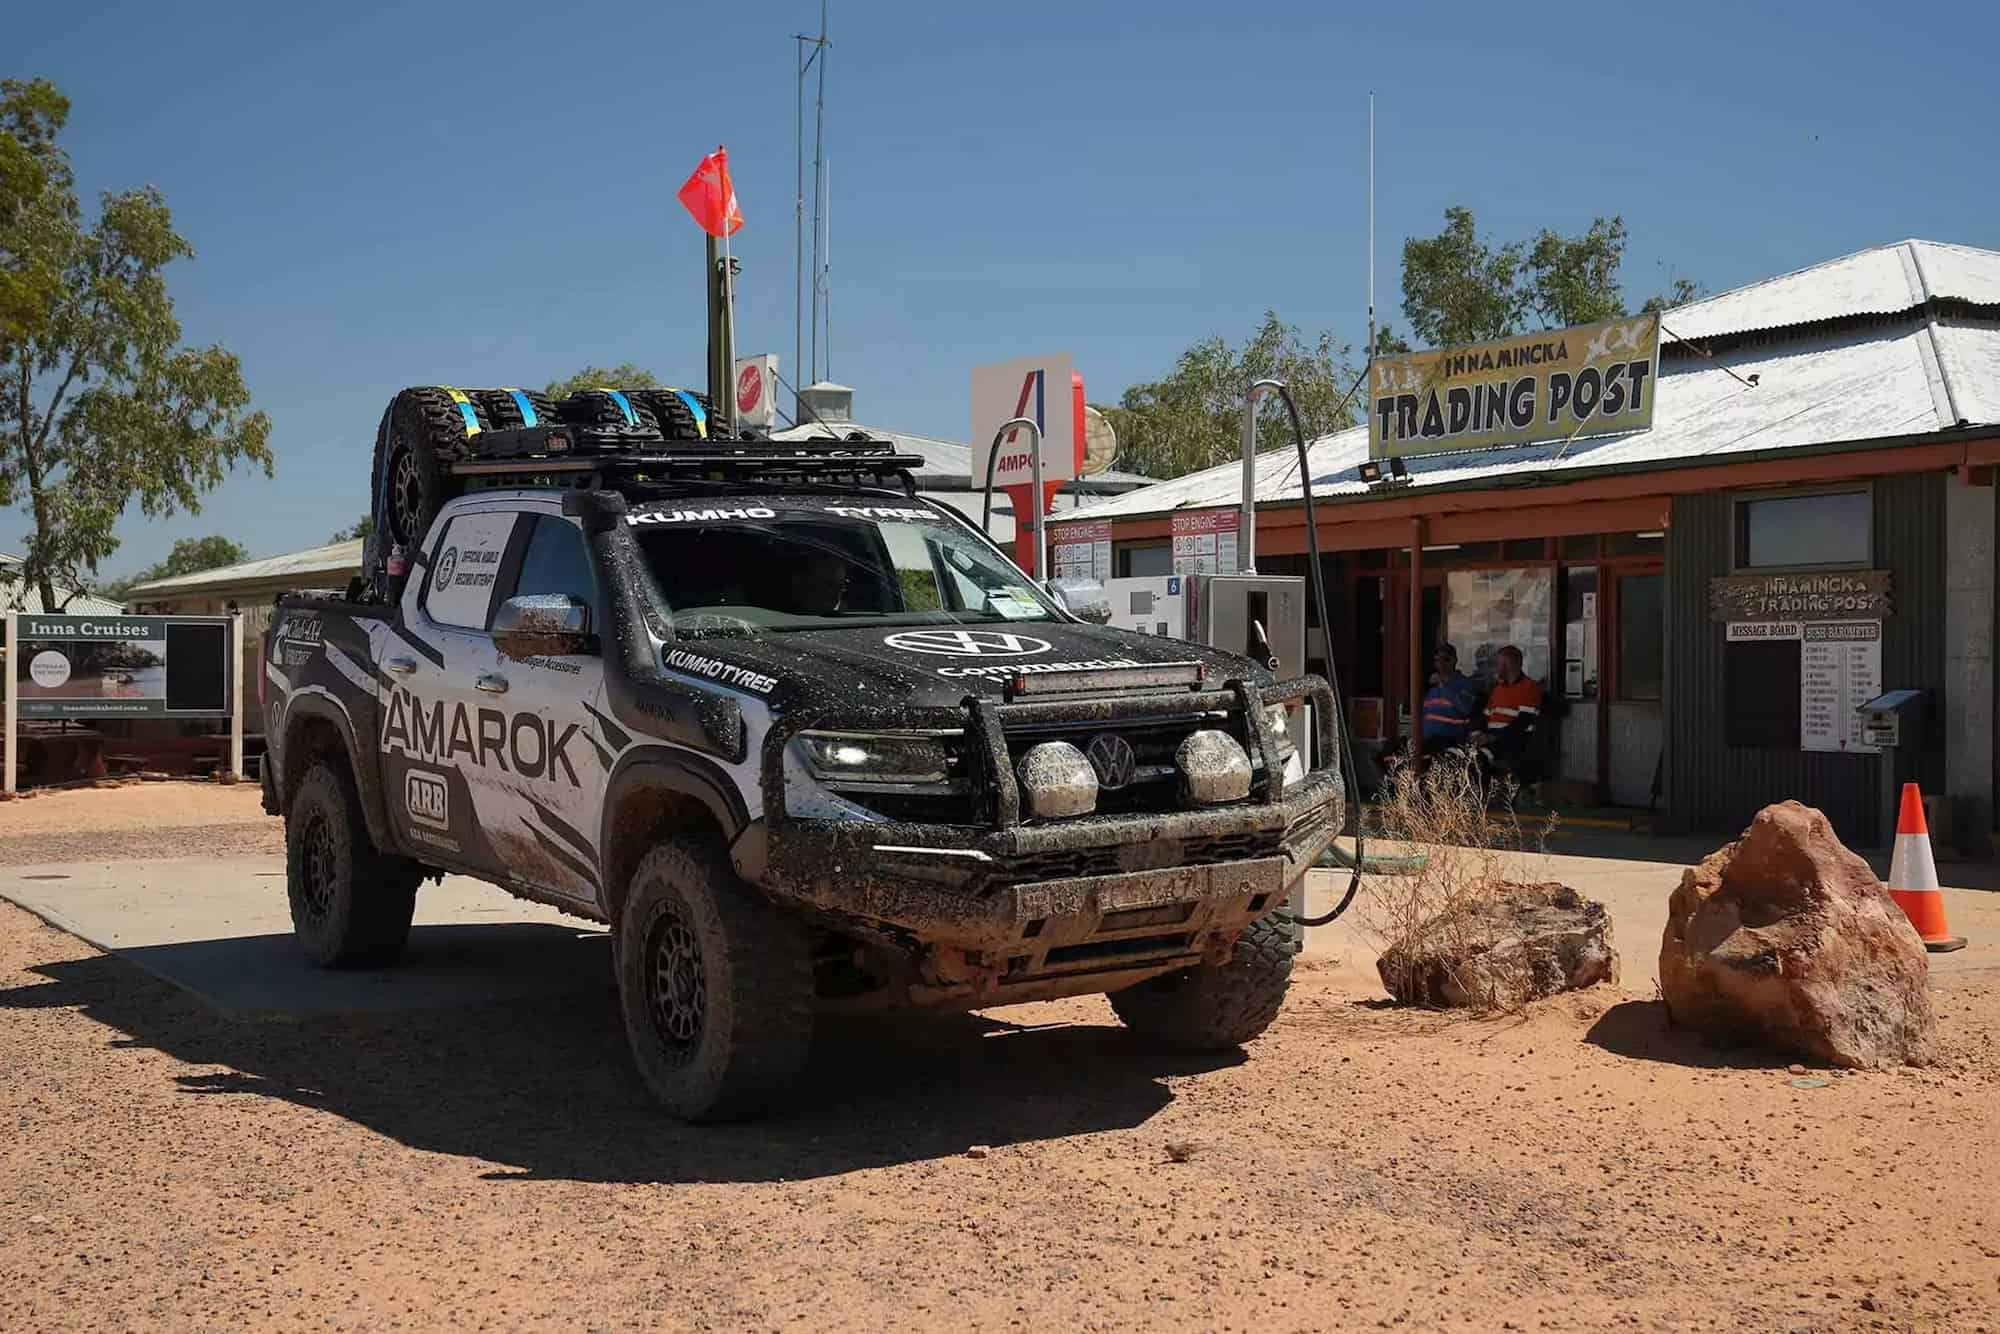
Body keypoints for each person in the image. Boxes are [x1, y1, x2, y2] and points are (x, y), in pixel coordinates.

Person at [1476, 644, 1543, 785]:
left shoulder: (1529, 687)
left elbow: (1523, 722)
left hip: (1514, 740)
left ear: (1509, 665)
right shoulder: (1499, 688)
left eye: (1499, 663)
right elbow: (1485, 716)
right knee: (1459, 754)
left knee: (1479, 759)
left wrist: (1491, 737)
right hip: (1493, 738)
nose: (1497, 667)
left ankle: (1484, 798)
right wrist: (1475, 733)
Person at [1420, 644, 1480, 751]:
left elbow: (1465, 708)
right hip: (1427, 740)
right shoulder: (1432, 688)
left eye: (1445, 659)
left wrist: (1444, 686)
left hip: (1451, 741)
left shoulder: (1465, 684)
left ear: (1454, 661)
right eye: (1437, 660)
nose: (1440, 664)